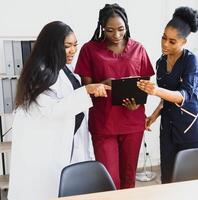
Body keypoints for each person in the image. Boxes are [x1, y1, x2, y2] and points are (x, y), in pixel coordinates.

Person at [8, 21, 111, 200]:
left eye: (75, 45)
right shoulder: (40, 73)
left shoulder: (64, 68)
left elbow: (70, 100)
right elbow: (51, 110)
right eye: (67, 46)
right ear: (52, 47)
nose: (73, 50)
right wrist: (86, 91)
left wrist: (93, 88)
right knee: (44, 190)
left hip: (67, 142)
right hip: (44, 151)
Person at [75, 3, 154, 189]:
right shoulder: (89, 50)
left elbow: (146, 84)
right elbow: (85, 87)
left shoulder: (138, 49)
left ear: (126, 25)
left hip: (132, 121)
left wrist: (139, 102)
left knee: (128, 179)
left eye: (121, 29)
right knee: (110, 181)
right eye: (110, 30)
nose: (117, 35)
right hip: (104, 123)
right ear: (102, 28)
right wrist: (103, 84)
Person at [137, 7, 198, 184]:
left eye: (172, 41)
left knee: (189, 180)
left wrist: (155, 90)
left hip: (190, 128)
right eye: (163, 38)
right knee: (168, 178)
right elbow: (165, 98)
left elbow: (184, 95)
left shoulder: (191, 61)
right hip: (168, 128)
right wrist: (153, 117)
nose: (165, 44)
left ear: (184, 41)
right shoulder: (160, 63)